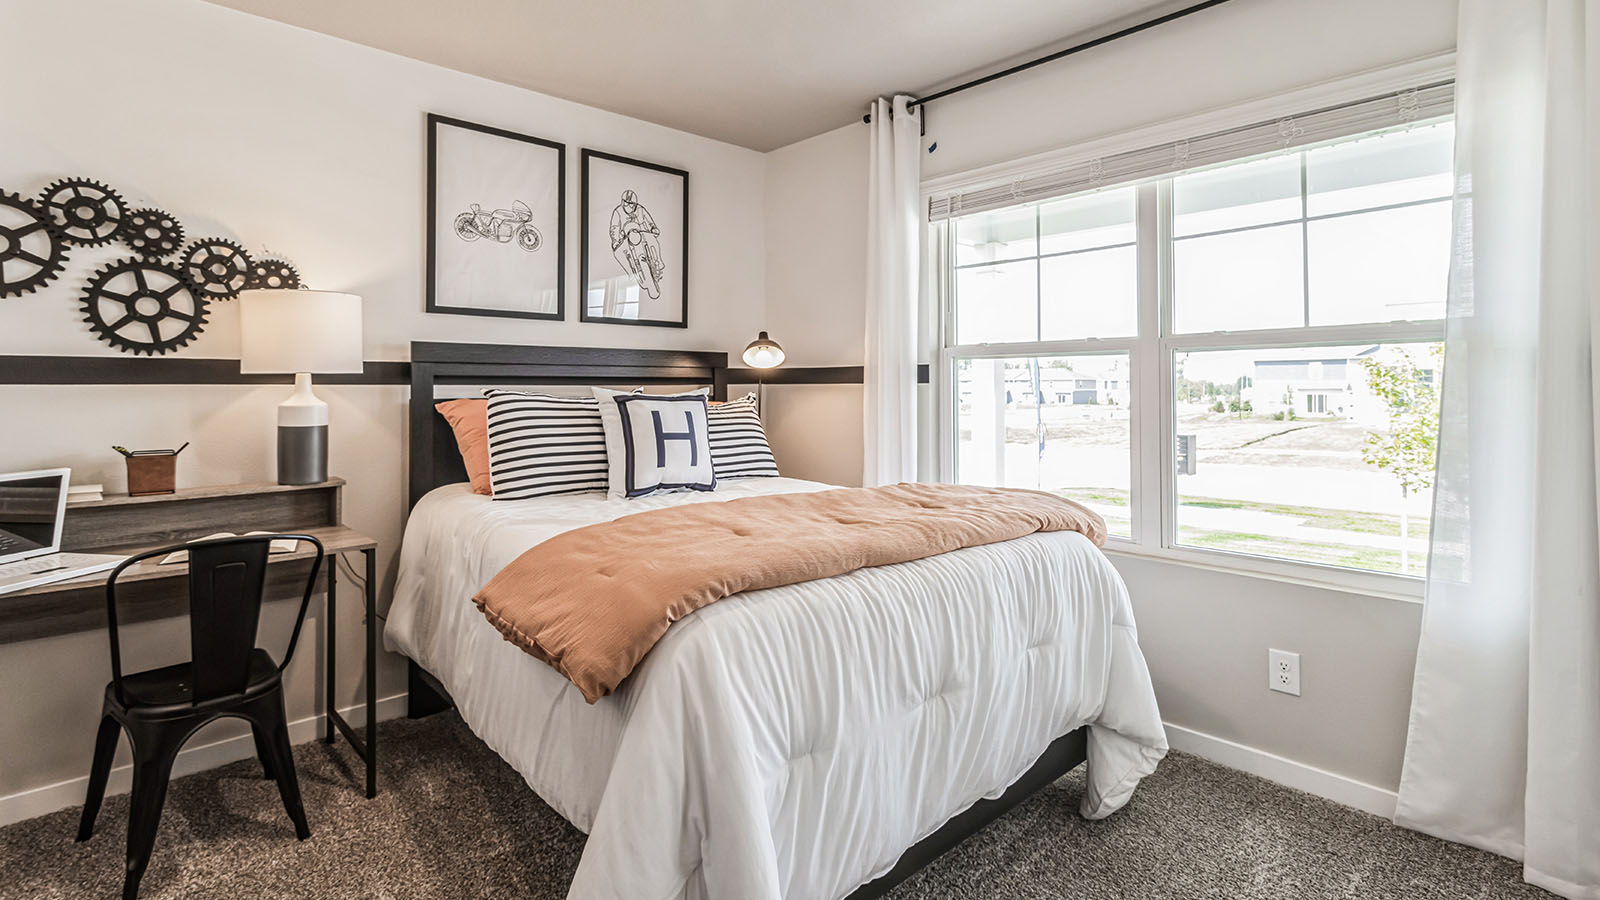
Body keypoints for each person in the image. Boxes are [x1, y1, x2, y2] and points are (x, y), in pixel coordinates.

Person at [609, 190, 664, 299]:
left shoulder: (640, 209)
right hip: (626, 238)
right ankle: (630, 274)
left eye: (630, 204)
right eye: (625, 202)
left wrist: (653, 228)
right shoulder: (618, 212)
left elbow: (649, 220)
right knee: (619, 254)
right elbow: (614, 228)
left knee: (653, 240)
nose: (627, 206)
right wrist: (616, 240)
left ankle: (658, 263)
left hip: (641, 234)